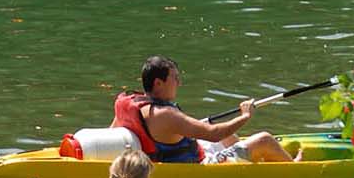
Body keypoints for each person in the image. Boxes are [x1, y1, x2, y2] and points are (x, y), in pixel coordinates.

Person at [111, 55, 296, 164]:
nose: (179, 83)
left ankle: (244, 162)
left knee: (226, 133)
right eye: (175, 78)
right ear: (158, 83)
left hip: (172, 155)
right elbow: (213, 134)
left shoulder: (127, 102)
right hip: (199, 164)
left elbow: (113, 132)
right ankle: (294, 170)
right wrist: (245, 115)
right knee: (265, 139)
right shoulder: (166, 115)